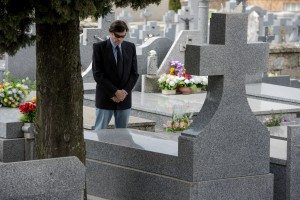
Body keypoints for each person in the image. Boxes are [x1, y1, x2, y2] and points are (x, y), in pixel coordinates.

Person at [92, 20, 139, 130]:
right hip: (106, 97)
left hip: (124, 99)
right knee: (100, 132)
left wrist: (124, 92)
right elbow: (98, 74)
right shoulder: (99, 47)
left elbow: (134, 73)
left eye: (123, 36)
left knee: (123, 136)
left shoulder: (130, 47)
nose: (120, 39)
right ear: (110, 32)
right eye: (117, 36)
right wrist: (114, 92)